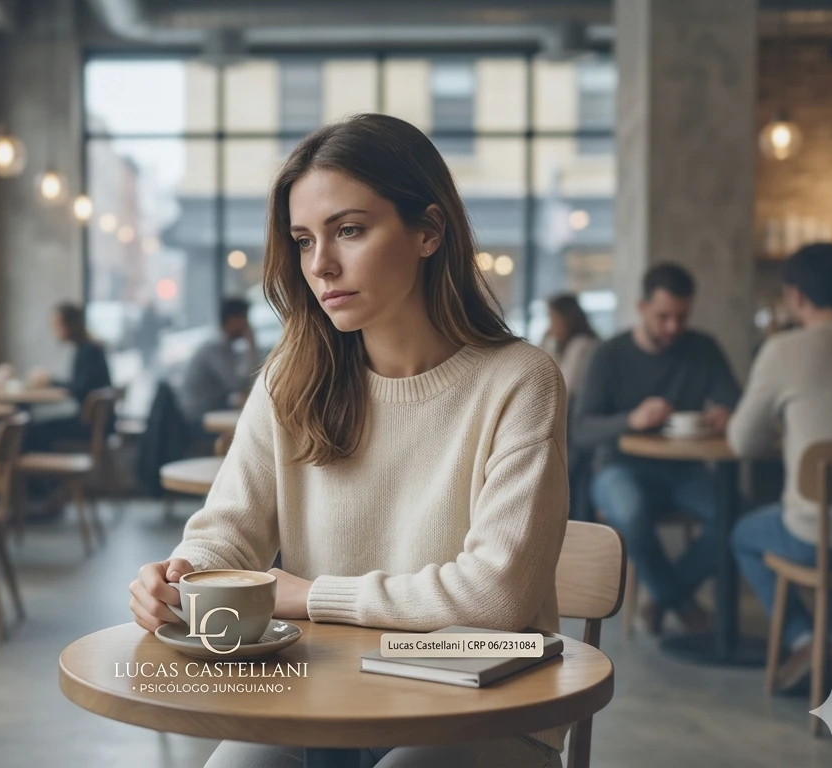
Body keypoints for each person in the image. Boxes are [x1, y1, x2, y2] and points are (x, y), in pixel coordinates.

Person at [128, 114, 569, 768]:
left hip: (481, 702)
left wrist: (309, 595)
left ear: (428, 231)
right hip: (326, 692)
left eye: (350, 230)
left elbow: (496, 598)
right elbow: (228, 530)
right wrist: (183, 575)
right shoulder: (292, 374)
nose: (321, 264)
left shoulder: (519, 380)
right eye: (304, 241)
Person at [728, 243, 832, 695]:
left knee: (745, 534)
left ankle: (807, 640)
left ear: (794, 296)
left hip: (820, 536)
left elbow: (743, 442)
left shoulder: (784, 351)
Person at [574, 263, 741, 635]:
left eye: (681, 317)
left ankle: (663, 596)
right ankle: (679, 600)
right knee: (630, 513)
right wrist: (631, 419)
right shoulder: (609, 354)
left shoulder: (702, 348)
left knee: (735, 515)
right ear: (641, 307)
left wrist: (726, 414)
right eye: (663, 316)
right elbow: (581, 429)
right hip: (619, 467)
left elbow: (738, 403)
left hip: (686, 470)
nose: (673, 328)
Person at [23, 301, 114, 452]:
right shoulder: (88, 348)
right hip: (99, 423)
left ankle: (40, 474)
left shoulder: (88, 350)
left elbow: (79, 388)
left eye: (57, 324)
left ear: (70, 325)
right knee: (37, 428)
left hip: (93, 426)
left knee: (33, 432)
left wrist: (50, 380)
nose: (54, 329)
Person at [177, 297, 261, 433]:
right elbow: (238, 383)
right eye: (243, 318)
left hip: (207, 412)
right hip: (197, 419)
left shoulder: (225, 345)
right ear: (231, 319)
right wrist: (251, 344)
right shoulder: (216, 346)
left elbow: (247, 380)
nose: (247, 324)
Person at [541, 293, 599, 396]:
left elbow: (564, 385)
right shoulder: (564, 344)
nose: (550, 327)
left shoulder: (581, 344)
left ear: (567, 320)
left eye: (553, 319)